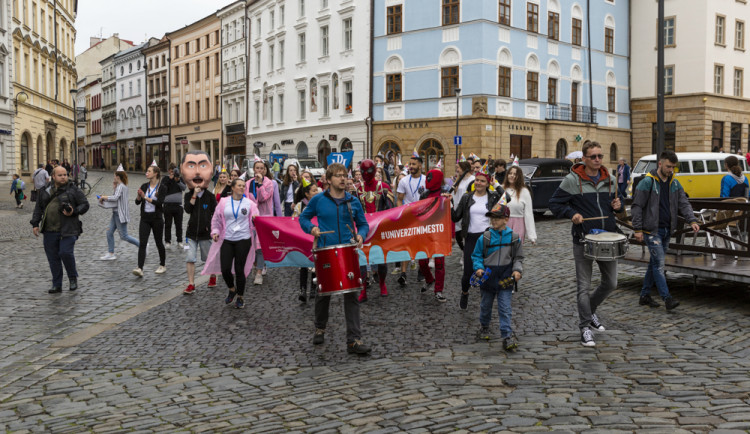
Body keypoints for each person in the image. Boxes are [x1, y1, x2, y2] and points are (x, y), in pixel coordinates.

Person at [549, 141, 623, 347]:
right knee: (583, 286)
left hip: (607, 238)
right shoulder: (572, 181)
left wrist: (618, 206)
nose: (598, 160)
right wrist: (571, 214)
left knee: (611, 283)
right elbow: (554, 204)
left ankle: (589, 312)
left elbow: (618, 206)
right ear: (584, 158)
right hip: (584, 240)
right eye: (593, 157)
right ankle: (584, 328)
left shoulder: (611, 179)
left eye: (600, 156)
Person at [300, 163, 371, 354]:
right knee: (323, 293)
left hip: (348, 251)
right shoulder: (318, 200)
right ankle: (320, 327)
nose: (343, 179)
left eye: (345, 175)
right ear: (329, 180)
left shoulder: (353, 201)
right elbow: (303, 219)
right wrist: (311, 229)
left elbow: (363, 225)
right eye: (338, 176)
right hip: (326, 250)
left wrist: (360, 235)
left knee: (352, 294)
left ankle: (353, 340)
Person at [632, 151, 700, 311]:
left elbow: (684, 203)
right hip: (651, 231)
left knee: (654, 263)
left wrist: (692, 219)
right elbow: (637, 206)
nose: (671, 170)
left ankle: (644, 295)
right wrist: (637, 229)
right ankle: (667, 298)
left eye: (673, 167)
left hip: (666, 229)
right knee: (659, 264)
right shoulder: (647, 182)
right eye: (669, 166)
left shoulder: (674, 184)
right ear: (660, 164)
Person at [471, 203, 523, 351]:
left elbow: (518, 258)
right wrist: (479, 267)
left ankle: (507, 336)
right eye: (492, 218)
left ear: (506, 220)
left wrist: (517, 270)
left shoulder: (514, 238)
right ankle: (484, 326)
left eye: (497, 218)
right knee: (485, 306)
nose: (493, 221)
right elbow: (476, 256)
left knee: (505, 308)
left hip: (506, 278)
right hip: (487, 278)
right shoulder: (484, 238)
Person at [201, 178, 259, 308]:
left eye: (243, 186)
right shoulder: (223, 202)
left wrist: (255, 220)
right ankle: (232, 289)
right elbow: (216, 220)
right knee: (225, 268)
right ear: (232, 188)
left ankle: (240, 297)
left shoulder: (250, 204)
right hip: (227, 238)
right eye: (239, 185)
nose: (242, 188)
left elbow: (256, 221)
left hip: (243, 239)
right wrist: (215, 231)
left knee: (239, 270)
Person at [30, 166, 89, 293]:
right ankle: (57, 284)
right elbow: (38, 208)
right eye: (60, 175)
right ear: (53, 177)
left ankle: (72, 278)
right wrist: (35, 223)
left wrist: (74, 211)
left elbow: (85, 204)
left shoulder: (73, 189)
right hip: (49, 230)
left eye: (65, 175)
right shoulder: (45, 190)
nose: (63, 177)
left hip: (69, 229)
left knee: (65, 253)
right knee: (53, 258)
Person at [453, 168, 503, 309]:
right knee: (468, 271)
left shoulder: (493, 196)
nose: (479, 183)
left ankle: (485, 299)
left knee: (487, 270)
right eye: (477, 180)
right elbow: (456, 217)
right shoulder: (467, 197)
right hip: (471, 237)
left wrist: (497, 184)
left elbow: (507, 198)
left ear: (488, 183)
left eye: (482, 181)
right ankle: (465, 292)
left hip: (487, 237)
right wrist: (450, 203)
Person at [354, 159, 393, 302]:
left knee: (382, 260)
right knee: (362, 261)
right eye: (362, 171)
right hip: (362, 230)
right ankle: (363, 289)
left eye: (368, 171)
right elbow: (351, 209)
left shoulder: (383, 187)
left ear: (375, 170)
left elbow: (390, 209)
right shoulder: (356, 189)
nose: (365, 174)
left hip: (379, 229)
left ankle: (382, 283)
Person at [417, 168, 450, 302]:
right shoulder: (424, 195)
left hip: (440, 232)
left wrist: (451, 235)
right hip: (425, 232)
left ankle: (438, 290)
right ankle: (430, 279)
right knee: (422, 261)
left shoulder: (445, 194)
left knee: (439, 263)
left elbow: (449, 215)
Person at [396, 155, 426, 286]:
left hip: (423, 217)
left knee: (423, 245)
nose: (411, 167)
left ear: (420, 165)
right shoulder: (403, 181)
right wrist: (401, 213)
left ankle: (422, 270)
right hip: (408, 217)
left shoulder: (426, 180)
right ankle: (403, 273)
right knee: (406, 244)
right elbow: (399, 199)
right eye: (410, 165)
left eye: (414, 164)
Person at [133, 165, 168, 277]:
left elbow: (159, 203)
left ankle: (162, 265)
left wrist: (145, 197)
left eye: (149, 171)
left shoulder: (162, 187)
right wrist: (139, 196)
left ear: (155, 173)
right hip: (145, 219)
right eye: (147, 171)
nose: (146, 173)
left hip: (157, 219)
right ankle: (140, 268)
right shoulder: (144, 186)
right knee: (142, 243)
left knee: (159, 242)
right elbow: (137, 202)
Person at [99, 170, 140, 260]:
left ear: (118, 177)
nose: (113, 178)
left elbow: (115, 198)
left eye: (114, 176)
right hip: (115, 213)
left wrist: (104, 197)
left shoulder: (121, 186)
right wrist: (114, 188)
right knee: (109, 232)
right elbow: (117, 199)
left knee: (124, 236)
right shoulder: (120, 186)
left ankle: (142, 246)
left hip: (119, 214)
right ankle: (111, 253)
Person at [246, 159, 274, 285]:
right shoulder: (248, 183)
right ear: (254, 169)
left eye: (262, 168)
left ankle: (259, 272)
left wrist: (260, 184)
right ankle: (256, 264)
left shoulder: (269, 183)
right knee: (251, 245)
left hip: (264, 218)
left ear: (265, 170)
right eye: (257, 168)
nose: (259, 170)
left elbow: (263, 198)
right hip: (251, 219)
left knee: (260, 246)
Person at [293, 178, 319, 303]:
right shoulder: (300, 205)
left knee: (315, 263)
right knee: (303, 264)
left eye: (317, 190)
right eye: (314, 191)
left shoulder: (320, 204)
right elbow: (293, 220)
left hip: (315, 238)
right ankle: (302, 289)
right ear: (307, 194)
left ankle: (314, 288)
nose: (317, 192)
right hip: (303, 238)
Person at [503, 165, 537, 244]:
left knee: (515, 251)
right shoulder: (502, 189)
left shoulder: (524, 192)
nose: (512, 176)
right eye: (510, 173)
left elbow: (528, 214)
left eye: (515, 174)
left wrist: (532, 236)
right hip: (503, 223)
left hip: (518, 224)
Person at [451, 161, 475, 251]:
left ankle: (466, 253)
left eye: (459, 168)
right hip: (458, 209)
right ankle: (464, 251)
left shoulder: (472, 179)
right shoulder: (458, 180)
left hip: (466, 209)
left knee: (466, 232)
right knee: (458, 234)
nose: (457, 170)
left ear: (465, 168)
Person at [162, 164, 186, 249]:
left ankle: (179, 241)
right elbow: (163, 189)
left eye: (174, 171)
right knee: (168, 224)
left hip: (178, 206)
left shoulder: (180, 178)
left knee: (179, 225)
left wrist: (178, 181)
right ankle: (167, 241)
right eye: (171, 171)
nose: (173, 172)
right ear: (169, 171)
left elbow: (184, 188)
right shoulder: (165, 178)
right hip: (168, 206)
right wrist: (170, 180)